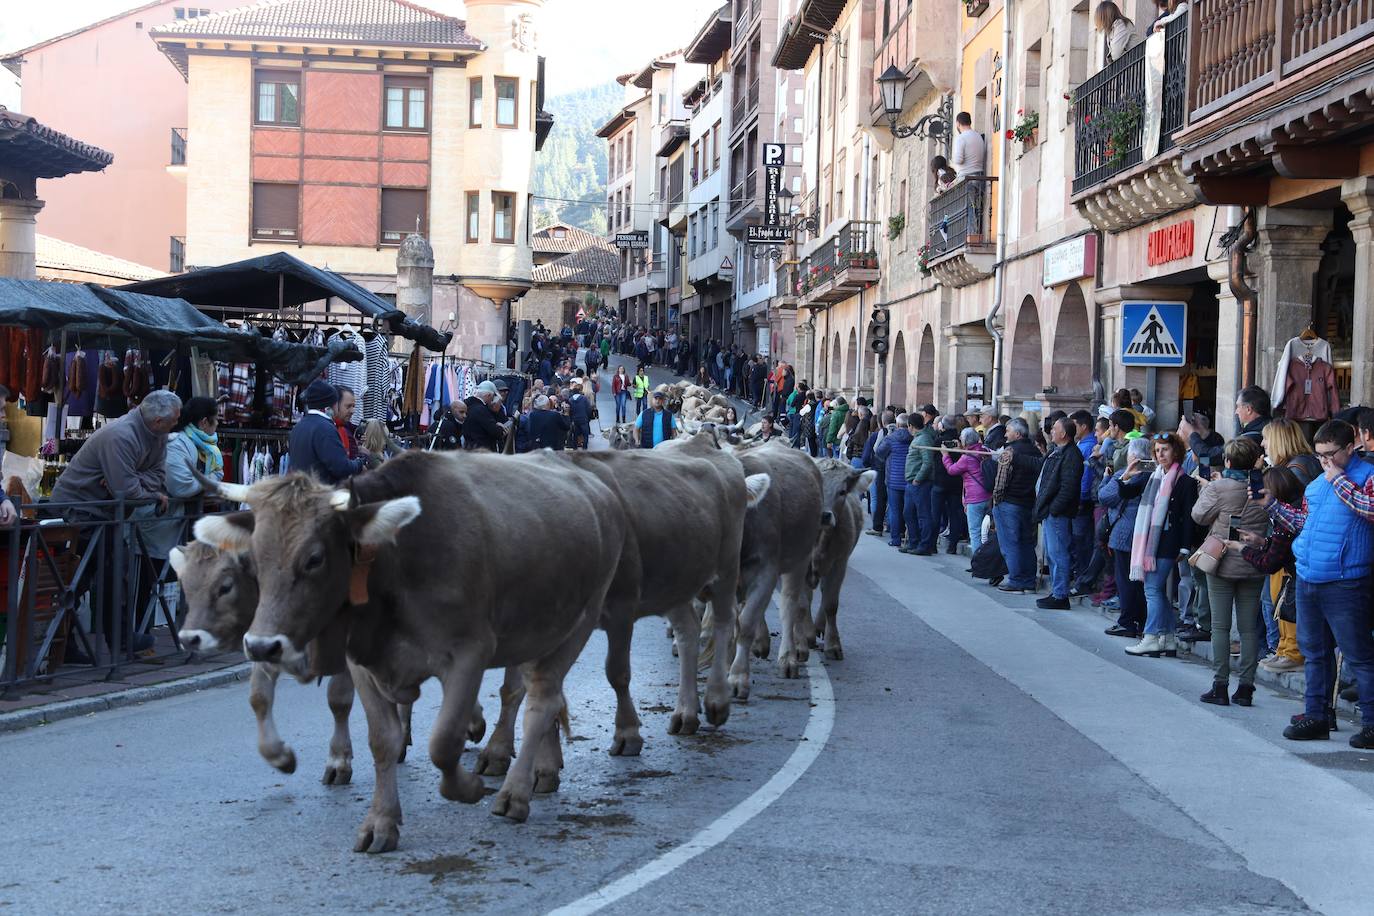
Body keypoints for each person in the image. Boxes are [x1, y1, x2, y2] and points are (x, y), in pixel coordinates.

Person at [1267, 420, 1374, 745]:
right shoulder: (1317, 483)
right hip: (1309, 576)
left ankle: (1371, 723)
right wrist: (1270, 506)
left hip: (1346, 580)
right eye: (1320, 455)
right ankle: (1316, 715)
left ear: (1351, 447)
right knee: (1315, 652)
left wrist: (1339, 479)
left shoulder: (1366, 476)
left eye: (1331, 454)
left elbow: (1369, 509)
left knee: (1359, 656)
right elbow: (1305, 522)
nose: (1325, 460)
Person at [52, 389, 182, 656]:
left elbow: (155, 476)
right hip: (79, 511)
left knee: (104, 575)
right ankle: (69, 644)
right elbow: (128, 492)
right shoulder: (121, 436)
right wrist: (137, 486)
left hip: (101, 514)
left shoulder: (157, 436)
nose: (177, 424)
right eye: (174, 420)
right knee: (80, 579)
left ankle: (111, 640)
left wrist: (133, 481)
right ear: (158, 421)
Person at [129, 395, 223, 634]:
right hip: (154, 524)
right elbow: (181, 485)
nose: (217, 426)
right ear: (204, 423)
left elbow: (207, 479)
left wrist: (206, 481)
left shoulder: (202, 447)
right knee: (144, 583)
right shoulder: (177, 444)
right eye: (216, 421)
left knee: (162, 582)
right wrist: (209, 481)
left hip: (174, 526)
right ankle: (137, 638)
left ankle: (149, 637)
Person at [1191, 436, 1269, 706]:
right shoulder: (1265, 486)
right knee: (1249, 629)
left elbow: (1198, 516)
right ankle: (1246, 687)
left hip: (1222, 561)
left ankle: (1220, 684)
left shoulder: (1220, 487)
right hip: (1254, 561)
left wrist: (1206, 489)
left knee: (1220, 627)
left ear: (1227, 461)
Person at [1120, 432, 1198, 659]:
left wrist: (1184, 547)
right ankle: (1169, 637)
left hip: (1168, 543)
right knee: (1157, 591)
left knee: (1152, 589)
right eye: (1157, 450)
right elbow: (1126, 492)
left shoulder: (1185, 481)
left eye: (1165, 449)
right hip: (1151, 544)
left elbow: (1187, 517)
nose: (1160, 454)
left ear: (1176, 452)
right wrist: (1126, 475)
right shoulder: (1152, 477)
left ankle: (1152, 636)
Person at [1240, 467, 1304, 674]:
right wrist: (1262, 542)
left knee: (1288, 610)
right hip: (1292, 567)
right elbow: (1277, 547)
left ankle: (1292, 654)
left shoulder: (1288, 516)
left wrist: (1244, 550)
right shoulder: (1290, 510)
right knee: (1281, 609)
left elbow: (1270, 562)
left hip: (1296, 570)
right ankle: (1284, 650)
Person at [1099, 437, 1153, 639]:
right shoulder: (1155, 474)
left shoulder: (1128, 474)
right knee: (1140, 583)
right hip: (1145, 533)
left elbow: (1104, 496)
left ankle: (1127, 622)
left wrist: (1109, 478)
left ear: (1132, 455)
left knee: (1126, 580)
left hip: (1125, 533)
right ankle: (1140, 621)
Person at [1034, 417, 1085, 610]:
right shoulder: (1057, 451)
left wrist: (1053, 508)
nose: (1051, 431)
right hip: (1051, 511)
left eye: (1055, 429)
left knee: (1058, 553)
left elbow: (1068, 488)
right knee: (1054, 554)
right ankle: (1056, 591)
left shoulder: (1071, 455)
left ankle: (1060, 594)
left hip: (1058, 513)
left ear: (1064, 433)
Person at [992, 418, 1044, 592]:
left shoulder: (1010, 451)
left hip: (1009, 502)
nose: (1005, 434)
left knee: (1010, 543)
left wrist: (996, 500)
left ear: (1018, 433)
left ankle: (1016, 579)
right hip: (1028, 502)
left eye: (1008, 431)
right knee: (1026, 542)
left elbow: (1001, 480)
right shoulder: (1036, 452)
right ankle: (1028, 578)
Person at [289, 380, 366, 484]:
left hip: (301, 493)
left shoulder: (298, 426)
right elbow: (341, 468)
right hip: (321, 494)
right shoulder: (325, 428)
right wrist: (360, 463)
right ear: (333, 404)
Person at [943, 427, 991, 553]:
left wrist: (945, 456)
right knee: (987, 532)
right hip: (988, 495)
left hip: (974, 498)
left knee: (975, 532)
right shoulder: (984, 450)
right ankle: (986, 561)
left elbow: (952, 470)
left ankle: (978, 563)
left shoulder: (966, 458)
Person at [875, 413, 914, 549]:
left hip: (893, 479)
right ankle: (909, 537)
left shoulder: (891, 438)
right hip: (909, 478)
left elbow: (879, 452)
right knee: (909, 510)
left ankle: (896, 538)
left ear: (897, 425)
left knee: (895, 509)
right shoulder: (913, 438)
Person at [902, 413, 938, 555]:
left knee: (923, 514)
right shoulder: (919, 438)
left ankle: (925, 545)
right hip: (912, 482)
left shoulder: (923, 439)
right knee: (908, 513)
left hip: (919, 483)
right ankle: (913, 542)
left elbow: (928, 462)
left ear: (910, 426)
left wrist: (918, 478)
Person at [462, 381, 510, 452]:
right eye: (493, 397)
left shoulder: (467, 405)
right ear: (488, 395)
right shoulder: (481, 410)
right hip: (482, 450)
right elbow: (495, 431)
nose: (493, 400)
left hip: (469, 448)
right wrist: (499, 428)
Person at [951, 111, 986, 179]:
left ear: (958, 123)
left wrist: (953, 159)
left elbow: (958, 160)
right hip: (980, 176)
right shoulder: (978, 136)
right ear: (970, 122)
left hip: (966, 177)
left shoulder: (961, 138)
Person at [567, 378, 593, 449]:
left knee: (575, 435)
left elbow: (570, 411)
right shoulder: (584, 399)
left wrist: (571, 419)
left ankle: (575, 448)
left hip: (575, 420)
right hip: (583, 419)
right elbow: (588, 409)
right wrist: (588, 417)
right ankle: (584, 448)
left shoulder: (570, 400)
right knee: (585, 434)